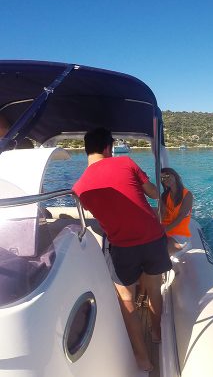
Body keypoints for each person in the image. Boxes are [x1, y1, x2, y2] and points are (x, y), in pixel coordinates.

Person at [72, 128, 171, 372]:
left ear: (87, 149)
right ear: (108, 148)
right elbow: (154, 195)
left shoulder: (78, 187)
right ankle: (156, 332)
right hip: (152, 238)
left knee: (127, 300)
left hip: (123, 248)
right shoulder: (126, 162)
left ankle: (142, 357)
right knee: (154, 289)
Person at [159, 167, 193, 253]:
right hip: (165, 231)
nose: (166, 179)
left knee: (162, 251)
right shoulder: (164, 196)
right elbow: (162, 215)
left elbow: (181, 217)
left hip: (179, 234)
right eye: (163, 178)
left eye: (167, 175)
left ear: (175, 176)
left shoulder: (187, 195)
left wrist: (162, 231)